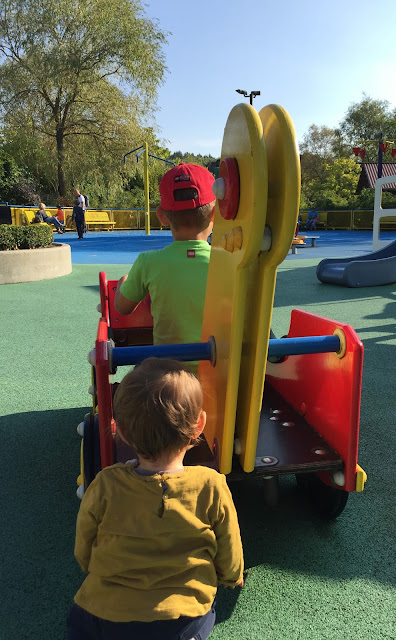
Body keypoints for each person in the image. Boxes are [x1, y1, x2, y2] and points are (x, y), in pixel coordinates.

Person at [66, 357, 244, 640]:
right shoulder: (211, 484)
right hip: (181, 620)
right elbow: (229, 544)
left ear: (120, 431)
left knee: (79, 622)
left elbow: (84, 542)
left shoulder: (106, 483)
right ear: (199, 425)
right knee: (203, 617)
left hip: (105, 614)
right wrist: (231, 575)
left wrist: (90, 566)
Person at [114, 163, 216, 349]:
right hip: (224, 373)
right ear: (215, 214)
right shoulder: (231, 262)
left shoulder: (148, 263)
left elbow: (122, 308)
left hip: (167, 371)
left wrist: (123, 282)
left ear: (161, 216)